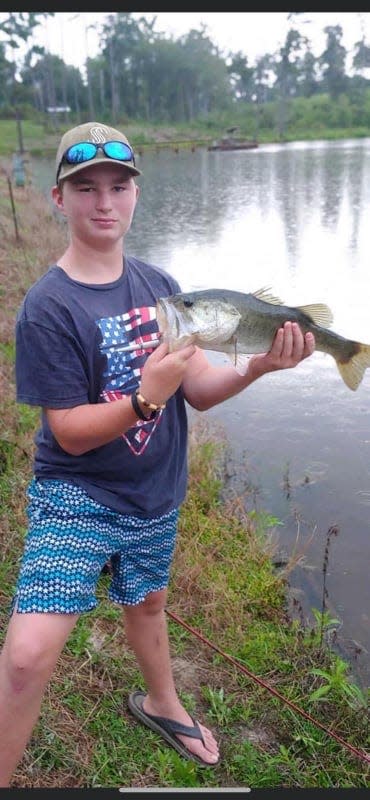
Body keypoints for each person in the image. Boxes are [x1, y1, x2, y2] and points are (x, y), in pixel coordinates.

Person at [0, 120, 315, 786]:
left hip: (154, 493)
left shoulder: (161, 285)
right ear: (59, 199)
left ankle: (161, 702)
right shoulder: (47, 307)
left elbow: (196, 389)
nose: (104, 202)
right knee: (26, 657)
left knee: (146, 603)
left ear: (137, 194)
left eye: (118, 186)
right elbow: (70, 432)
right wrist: (144, 399)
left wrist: (255, 369)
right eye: (86, 188)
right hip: (76, 498)